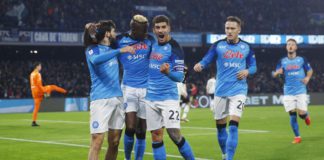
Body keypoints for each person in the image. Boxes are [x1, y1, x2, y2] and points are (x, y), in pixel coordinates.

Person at [194, 16, 257, 160]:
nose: (229, 31)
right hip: (220, 91)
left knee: (233, 125)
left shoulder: (246, 47)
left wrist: (247, 71)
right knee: (220, 127)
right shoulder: (218, 45)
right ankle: (224, 154)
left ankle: (229, 158)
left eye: (232, 28)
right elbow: (207, 58)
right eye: (227, 28)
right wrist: (201, 64)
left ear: (239, 30)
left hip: (239, 90)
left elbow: (254, 66)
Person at [84, 20, 135, 160]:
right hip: (101, 100)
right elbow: (96, 60)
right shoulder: (92, 49)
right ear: (107, 33)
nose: (115, 34)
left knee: (114, 142)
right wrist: (119, 51)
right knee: (97, 140)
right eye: (113, 31)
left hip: (118, 99)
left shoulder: (113, 48)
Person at [145, 15, 195, 160]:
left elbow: (180, 77)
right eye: (158, 27)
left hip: (168, 98)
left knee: (174, 134)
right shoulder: (151, 43)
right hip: (150, 98)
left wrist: (167, 72)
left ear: (169, 28)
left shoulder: (175, 49)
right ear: (154, 30)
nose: (161, 30)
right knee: (156, 136)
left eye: (163, 27)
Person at [116, 14, 154, 160]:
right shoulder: (120, 40)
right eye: (142, 31)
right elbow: (103, 46)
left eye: (146, 30)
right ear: (133, 29)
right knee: (130, 127)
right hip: (128, 88)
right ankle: (127, 158)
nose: (145, 34)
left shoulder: (150, 40)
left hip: (146, 89)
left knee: (141, 131)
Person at [272, 38, 313, 144]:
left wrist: (307, 78)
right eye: (288, 44)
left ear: (296, 47)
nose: (290, 46)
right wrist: (277, 73)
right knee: (292, 114)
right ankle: (297, 137)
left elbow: (309, 70)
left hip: (300, 90)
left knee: (301, 113)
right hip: (288, 92)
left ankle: (306, 116)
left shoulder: (302, 59)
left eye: (292, 44)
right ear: (286, 47)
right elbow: (274, 73)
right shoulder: (282, 61)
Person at [30, 62, 67, 127]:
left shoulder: (31, 74)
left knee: (36, 108)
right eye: (40, 66)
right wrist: (44, 92)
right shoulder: (37, 74)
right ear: (37, 66)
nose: (40, 67)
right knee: (52, 87)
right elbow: (39, 85)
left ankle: (33, 122)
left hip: (34, 92)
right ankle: (65, 91)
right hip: (39, 90)